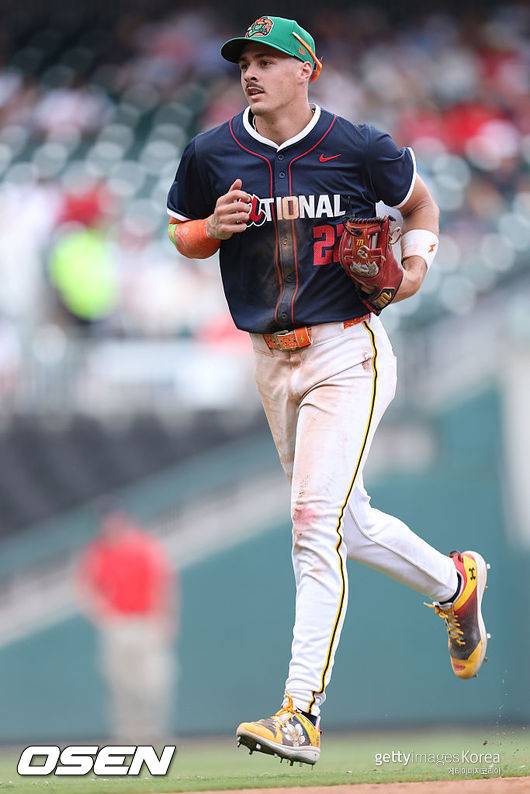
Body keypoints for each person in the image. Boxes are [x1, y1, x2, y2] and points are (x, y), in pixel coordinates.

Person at [166, 15, 490, 766]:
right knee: (344, 522)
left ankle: (299, 714)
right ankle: (454, 584)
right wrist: (211, 227)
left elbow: (422, 208)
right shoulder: (212, 152)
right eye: (245, 60)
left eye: (269, 59)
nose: (252, 70)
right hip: (269, 358)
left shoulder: (358, 147)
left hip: (347, 348)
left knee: (313, 523)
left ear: (305, 69)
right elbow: (179, 231)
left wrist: (416, 267)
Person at [77, 507, 176, 741]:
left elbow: (163, 584)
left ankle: (155, 732)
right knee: (121, 683)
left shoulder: (144, 546)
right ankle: (128, 735)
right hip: (119, 625)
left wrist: (166, 618)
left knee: (154, 681)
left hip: (147, 621)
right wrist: (103, 615)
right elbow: (85, 587)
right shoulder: (99, 552)